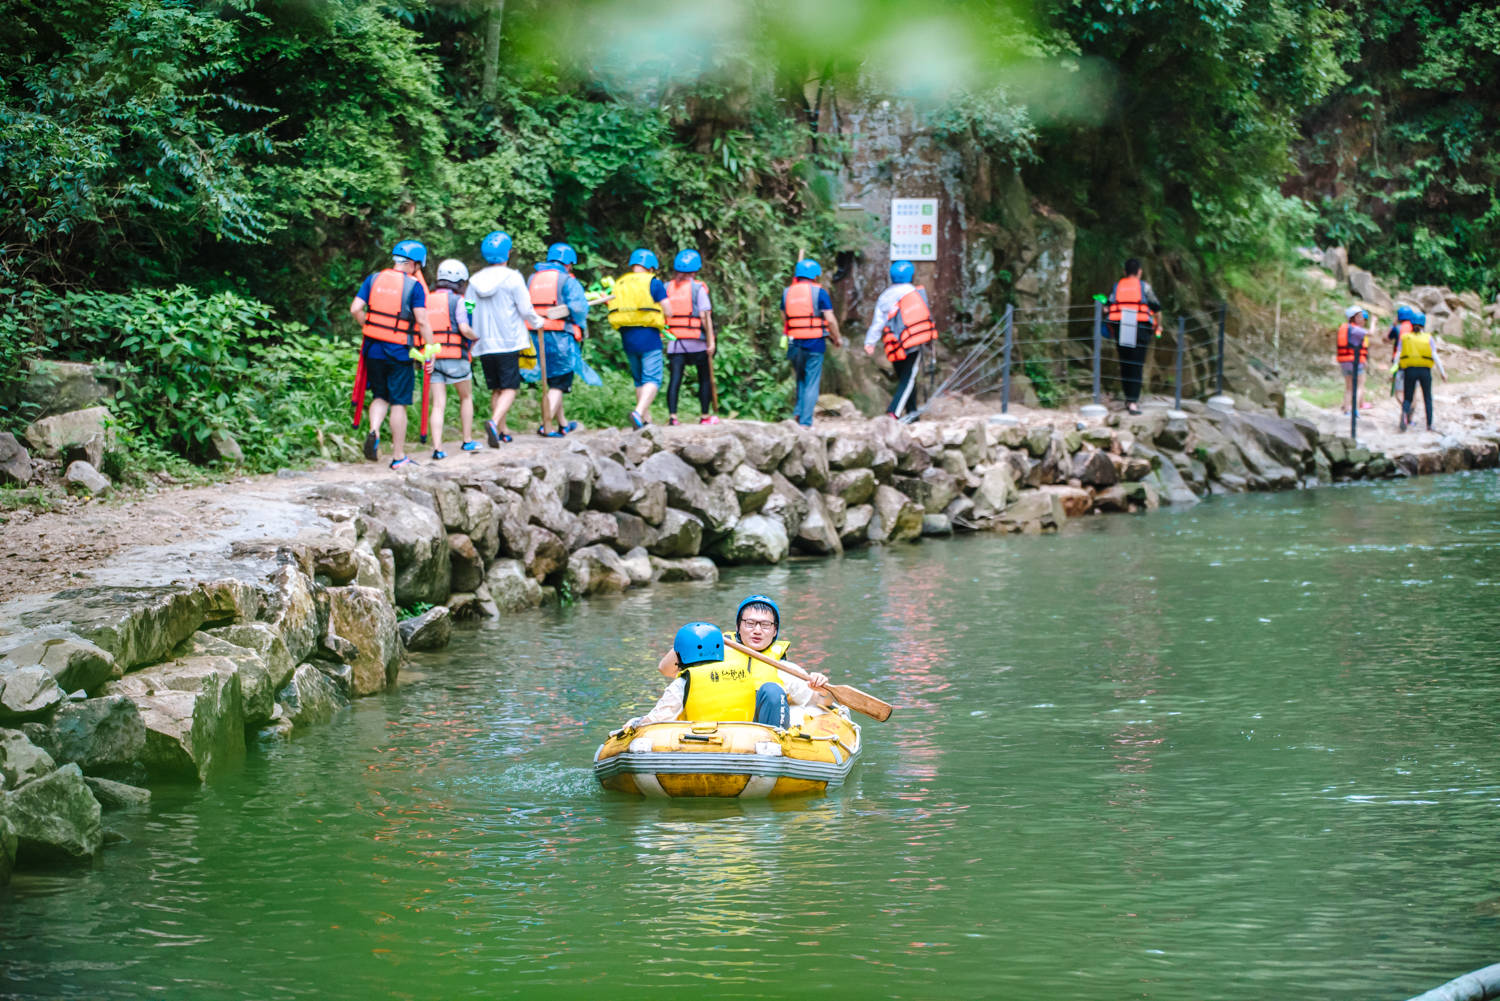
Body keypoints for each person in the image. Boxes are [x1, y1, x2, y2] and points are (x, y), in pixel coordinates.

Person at [630, 607, 830, 729]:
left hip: (760, 737)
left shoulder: (783, 668)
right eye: (750, 623)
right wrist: (691, 640)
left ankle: (774, 751)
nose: (757, 630)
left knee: (772, 690)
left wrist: (820, 686)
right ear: (738, 626)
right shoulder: (710, 654)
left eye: (765, 625)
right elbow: (666, 670)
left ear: (775, 630)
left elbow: (823, 701)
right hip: (705, 733)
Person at [350, 239, 434, 470]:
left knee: (380, 396)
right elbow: (423, 320)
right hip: (399, 351)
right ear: (416, 264)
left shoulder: (374, 279)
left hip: (373, 349)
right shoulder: (414, 286)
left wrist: (369, 326)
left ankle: (374, 430)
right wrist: (430, 350)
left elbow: (355, 308)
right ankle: (398, 456)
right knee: (399, 402)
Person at [466, 230, 546, 448]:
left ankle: (502, 431)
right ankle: (493, 423)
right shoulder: (513, 278)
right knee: (510, 387)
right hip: (508, 340)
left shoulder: (474, 281)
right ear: (507, 253)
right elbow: (525, 308)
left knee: (496, 389)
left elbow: (468, 307)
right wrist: (538, 322)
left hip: (483, 342)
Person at [527, 242, 590, 437]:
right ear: (568, 264)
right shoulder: (567, 280)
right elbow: (579, 310)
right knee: (559, 383)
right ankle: (545, 426)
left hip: (535, 335)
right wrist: (582, 327)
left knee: (553, 380)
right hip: (560, 336)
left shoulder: (533, 278)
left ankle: (562, 424)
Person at [863, 259, 939, 418]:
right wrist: (930, 342)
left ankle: (912, 413)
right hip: (912, 342)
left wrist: (870, 342)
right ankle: (893, 412)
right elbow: (925, 317)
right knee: (908, 378)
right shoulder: (915, 293)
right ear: (911, 276)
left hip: (894, 343)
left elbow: (878, 322)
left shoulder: (885, 296)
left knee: (906, 378)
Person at [607, 248, 673, 429]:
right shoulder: (654, 283)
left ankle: (645, 420)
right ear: (651, 267)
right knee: (652, 379)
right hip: (649, 335)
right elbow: (668, 310)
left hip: (627, 336)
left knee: (639, 379)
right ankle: (638, 412)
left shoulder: (620, 283)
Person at [426, 258, 479, 459]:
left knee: (438, 404)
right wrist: (477, 336)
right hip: (456, 357)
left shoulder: (427, 299)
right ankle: (467, 440)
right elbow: (464, 329)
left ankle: (438, 448)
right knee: (465, 397)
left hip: (433, 358)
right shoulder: (460, 301)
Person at [781, 257, 843, 426]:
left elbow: (784, 319)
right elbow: (830, 319)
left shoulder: (787, 292)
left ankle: (798, 413)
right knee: (811, 383)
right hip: (814, 343)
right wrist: (836, 338)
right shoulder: (819, 292)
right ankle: (806, 422)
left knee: (800, 379)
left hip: (794, 343)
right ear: (815, 275)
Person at [664, 249, 718, 425]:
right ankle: (704, 416)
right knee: (704, 377)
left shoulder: (667, 287)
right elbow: (705, 316)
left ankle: (673, 417)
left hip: (674, 342)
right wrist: (711, 341)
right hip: (696, 342)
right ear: (695, 270)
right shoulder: (698, 288)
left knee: (675, 379)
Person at [1105, 258, 1161, 415]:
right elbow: (1156, 307)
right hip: (1140, 327)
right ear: (1140, 272)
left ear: (1124, 272)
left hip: (1122, 326)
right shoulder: (1145, 287)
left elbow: (1108, 306)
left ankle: (1128, 398)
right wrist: (1158, 325)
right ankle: (1132, 402)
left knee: (1126, 363)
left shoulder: (1117, 287)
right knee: (1136, 365)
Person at [1395, 311, 1446, 432]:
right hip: (1425, 371)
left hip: (1409, 370)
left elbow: (1398, 355)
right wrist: (1443, 373)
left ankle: (1404, 414)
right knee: (1427, 397)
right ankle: (1429, 424)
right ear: (1423, 324)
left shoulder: (1405, 338)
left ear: (1411, 324)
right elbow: (1435, 357)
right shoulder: (1428, 338)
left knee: (1408, 397)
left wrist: (1395, 370)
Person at [1336, 305, 1371, 415]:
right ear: (1353, 317)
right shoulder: (1356, 330)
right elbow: (1371, 333)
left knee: (1349, 388)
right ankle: (1355, 410)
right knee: (1359, 386)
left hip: (1344, 362)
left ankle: (1347, 409)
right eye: (1359, 316)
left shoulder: (1343, 328)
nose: (1361, 319)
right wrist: (1374, 322)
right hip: (1355, 362)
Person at [1387, 304, 1418, 407]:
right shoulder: (1416, 328)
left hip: (1399, 362)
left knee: (1398, 392)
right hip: (1414, 362)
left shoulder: (1397, 328)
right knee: (1413, 392)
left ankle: (1405, 408)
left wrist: (1392, 325)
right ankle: (1410, 415)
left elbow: (1385, 339)